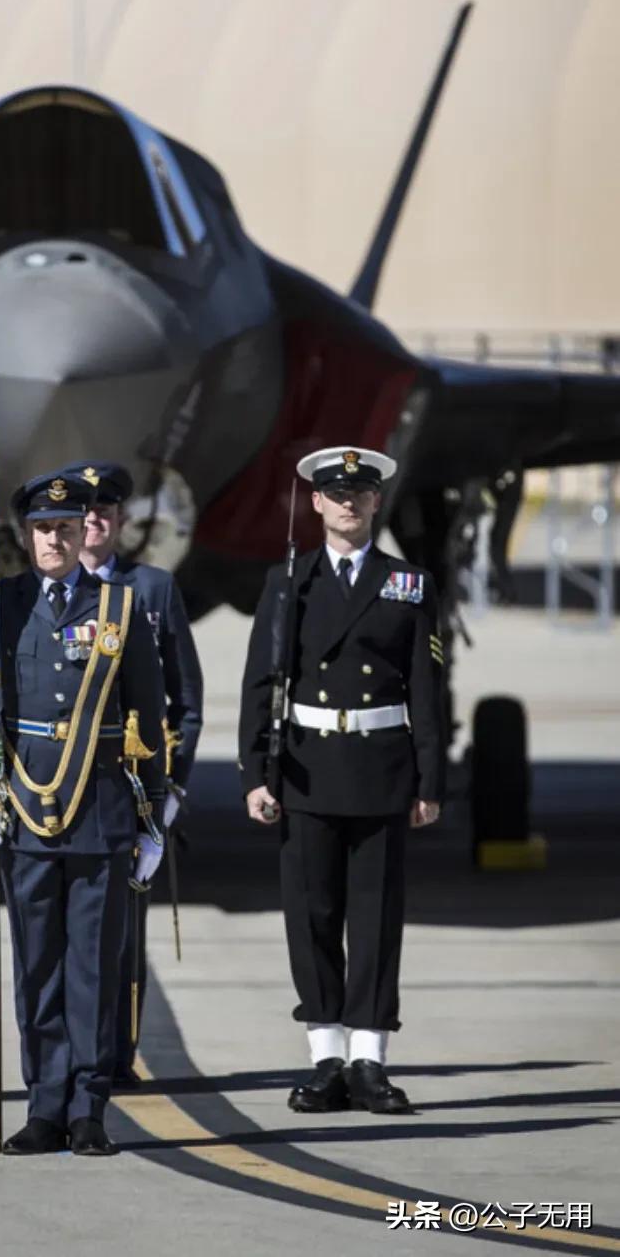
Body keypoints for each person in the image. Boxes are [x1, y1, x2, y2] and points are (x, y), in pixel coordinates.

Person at [0, 469, 166, 1156]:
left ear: (82, 532)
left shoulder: (119, 608)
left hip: (100, 813)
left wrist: (152, 817)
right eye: (43, 529)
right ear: (24, 534)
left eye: (66, 528)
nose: (55, 540)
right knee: (37, 967)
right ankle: (43, 1106)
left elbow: (147, 717)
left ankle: (88, 1108)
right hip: (25, 810)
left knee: (93, 970)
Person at [237, 446, 445, 1115]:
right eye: (335, 493)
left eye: (359, 493)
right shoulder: (288, 581)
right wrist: (256, 772)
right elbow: (261, 683)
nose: (348, 502)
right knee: (313, 915)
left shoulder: (406, 584)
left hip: (381, 768)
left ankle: (370, 1060)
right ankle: (325, 1057)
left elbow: (426, 690)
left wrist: (429, 780)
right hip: (307, 766)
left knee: (376, 918)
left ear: (376, 501)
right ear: (317, 503)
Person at [68, 461, 203, 1085]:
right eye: (83, 510)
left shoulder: (151, 589)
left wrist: (171, 789)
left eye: (105, 509)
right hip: (57, 786)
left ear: (122, 519)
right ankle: (67, 1056)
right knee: (59, 935)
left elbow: (185, 699)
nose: (94, 519)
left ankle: (117, 1056)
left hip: (130, 792)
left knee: (121, 936)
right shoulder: (40, 591)